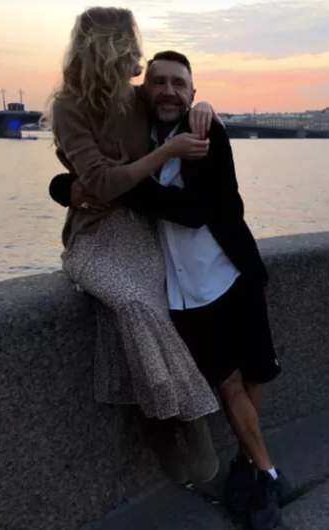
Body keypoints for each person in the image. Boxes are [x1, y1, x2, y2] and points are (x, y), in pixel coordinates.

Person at [49, 51, 290, 530]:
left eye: (179, 84)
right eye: (158, 81)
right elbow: (74, 175)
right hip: (184, 291)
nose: (168, 91)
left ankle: (248, 463)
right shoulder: (135, 134)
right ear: (143, 88)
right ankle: (268, 475)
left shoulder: (205, 132)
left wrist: (115, 184)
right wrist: (69, 188)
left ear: (193, 93)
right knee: (227, 383)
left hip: (233, 272)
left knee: (254, 375)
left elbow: (194, 210)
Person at [44, 7, 223, 485]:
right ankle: (188, 416)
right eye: (131, 48)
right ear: (110, 49)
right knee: (130, 303)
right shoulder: (69, 107)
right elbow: (101, 183)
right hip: (94, 235)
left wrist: (204, 107)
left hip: (141, 231)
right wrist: (164, 154)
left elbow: (177, 101)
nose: (138, 60)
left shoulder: (137, 98)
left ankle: (158, 423)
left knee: (127, 315)